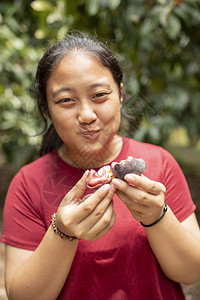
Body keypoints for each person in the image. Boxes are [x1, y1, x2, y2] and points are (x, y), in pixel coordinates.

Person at [1, 32, 200, 300]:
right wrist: (63, 232)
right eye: (65, 100)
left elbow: (191, 273)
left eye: (99, 95)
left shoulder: (159, 163)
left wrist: (157, 216)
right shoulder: (29, 183)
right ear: (47, 109)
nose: (86, 115)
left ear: (119, 93)